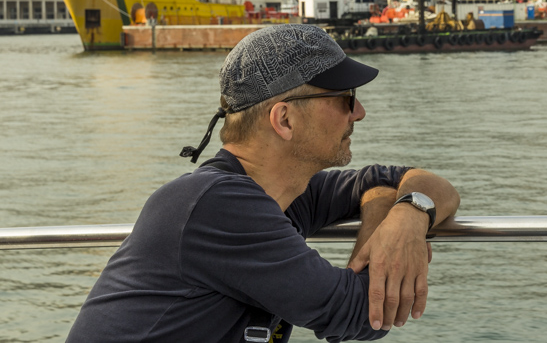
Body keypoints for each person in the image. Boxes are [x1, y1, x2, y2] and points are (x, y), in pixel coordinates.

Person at [67, 24, 460, 343]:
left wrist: (408, 215)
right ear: (284, 119)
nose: (359, 112)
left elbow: (424, 183)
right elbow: (362, 316)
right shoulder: (214, 204)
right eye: (345, 97)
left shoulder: (287, 194)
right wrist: (386, 213)